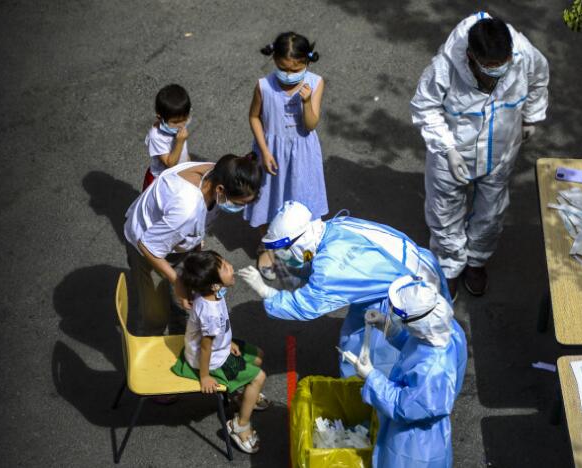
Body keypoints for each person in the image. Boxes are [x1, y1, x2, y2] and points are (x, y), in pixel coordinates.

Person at [411, 12, 549, 298]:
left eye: (503, 64)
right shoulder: (444, 67)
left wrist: (530, 118)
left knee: (491, 212)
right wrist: (448, 149)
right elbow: (425, 107)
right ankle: (449, 266)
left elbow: (538, 80)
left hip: (501, 149)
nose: (498, 72)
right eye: (490, 67)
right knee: (444, 211)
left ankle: (476, 261)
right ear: (471, 57)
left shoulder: (523, 54)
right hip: (453, 152)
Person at [237, 200, 450, 377]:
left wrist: (265, 291)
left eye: (285, 247)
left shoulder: (331, 269)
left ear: (300, 240)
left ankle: (365, 395)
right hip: (418, 271)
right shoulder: (334, 227)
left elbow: (305, 305)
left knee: (369, 355)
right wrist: (296, 268)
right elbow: (317, 262)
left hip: (402, 300)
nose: (283, 252)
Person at [124, 154, 262, 335]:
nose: (241, 208)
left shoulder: (219, 172)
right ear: (220, 189)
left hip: (173, 239)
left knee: (183, 295)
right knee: (156, 317)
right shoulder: (186, 210)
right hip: (146, 248)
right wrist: (178, 283)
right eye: (239, 203)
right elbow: (147, 246)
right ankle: (148, 342)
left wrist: (194, 251)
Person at [341, 275, 467, 468]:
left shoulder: (433, 371)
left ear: (416, 322)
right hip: (420, 426)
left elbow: (403, 406)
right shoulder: (443, 328)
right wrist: (386, 325)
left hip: (413, 446)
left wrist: (371, 377)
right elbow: (416, 345)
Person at [244, 32, 328, 281]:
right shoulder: (264, 86)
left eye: (296, 69)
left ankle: (303, 246)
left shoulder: (315, 83)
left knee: (302, 201)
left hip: (303, 156)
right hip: (271, 153)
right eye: (283, 69)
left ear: (307, 63)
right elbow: (254, 117)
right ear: (274, 60)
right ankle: (267, 247)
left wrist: (306, 102)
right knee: (268, 200)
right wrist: (264, 151)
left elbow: (310, 124)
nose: (289, 75)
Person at [171, 250, 268, 454]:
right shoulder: (211, 314)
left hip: (220, 346)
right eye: (224, 267)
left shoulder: (209, 293)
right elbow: (206, 347)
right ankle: (239, 425)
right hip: (213, 361)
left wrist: (228, 341)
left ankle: (242, 397)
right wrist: (204, 376)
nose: (230, 266)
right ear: (215, 285)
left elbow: (214, 335)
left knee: (258, 355)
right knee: (259, 377)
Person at [143, 84, 192, 190]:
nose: (181, 125)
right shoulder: (156, 137)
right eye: (175, 122)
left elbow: (183, 151)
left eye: (185, 119)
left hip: (180, 173)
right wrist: (179, 142)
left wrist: (188, 164)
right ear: (160, 118)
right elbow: (170, 164)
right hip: (163, 180)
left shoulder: (178, 124)